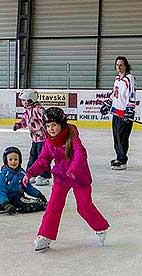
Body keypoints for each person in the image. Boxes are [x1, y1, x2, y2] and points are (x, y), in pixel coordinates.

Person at [22, 107, 109, 252]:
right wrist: (29, 173)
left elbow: (80, 155)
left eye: (54, 125)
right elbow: (43, 160)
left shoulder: (72, 137)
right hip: (61, 177)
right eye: (48, 126)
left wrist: (73, 171)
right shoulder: (49, 142)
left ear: (61, 124)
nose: (51, 129)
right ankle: (45, 236)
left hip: (79, 177)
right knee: (53, 206)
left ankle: (100, 227)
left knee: (84, 207)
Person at [100, 56, 136, 170]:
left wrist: (129, 112)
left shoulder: (129, 78)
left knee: (122, 137)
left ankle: (122, 160)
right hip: (116, 112)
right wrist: (107, 104)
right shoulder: (117, 79)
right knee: (116, 137)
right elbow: (113, 94)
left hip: (125, 114)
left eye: (121, 65)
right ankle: (119, 157)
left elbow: (132, 94)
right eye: (117, 65)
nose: (119, 67)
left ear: (126, 66)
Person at [13, 89, 51, 186]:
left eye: (23, 100)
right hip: (35, 138)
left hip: (43, 139)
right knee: (33, 156)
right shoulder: (28, 111)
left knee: (42, 157)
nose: (22, 102)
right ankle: (31, 174)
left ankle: (44, 176)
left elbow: (46, 120)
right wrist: (18, 125)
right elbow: (24, 121)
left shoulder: (38, 109)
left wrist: (50, 133)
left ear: (30, 100)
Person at [0, 146, 47, 215]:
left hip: (18, 198)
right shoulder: (3, 175)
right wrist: (5, 203)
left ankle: (44, 205)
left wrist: (39, 195)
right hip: (4, 200)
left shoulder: (22, 174)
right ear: (6, 161)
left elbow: (28, 187)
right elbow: (0, 190)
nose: (13, 162)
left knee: (30, 205)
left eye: (16, 159)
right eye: (10, 160)